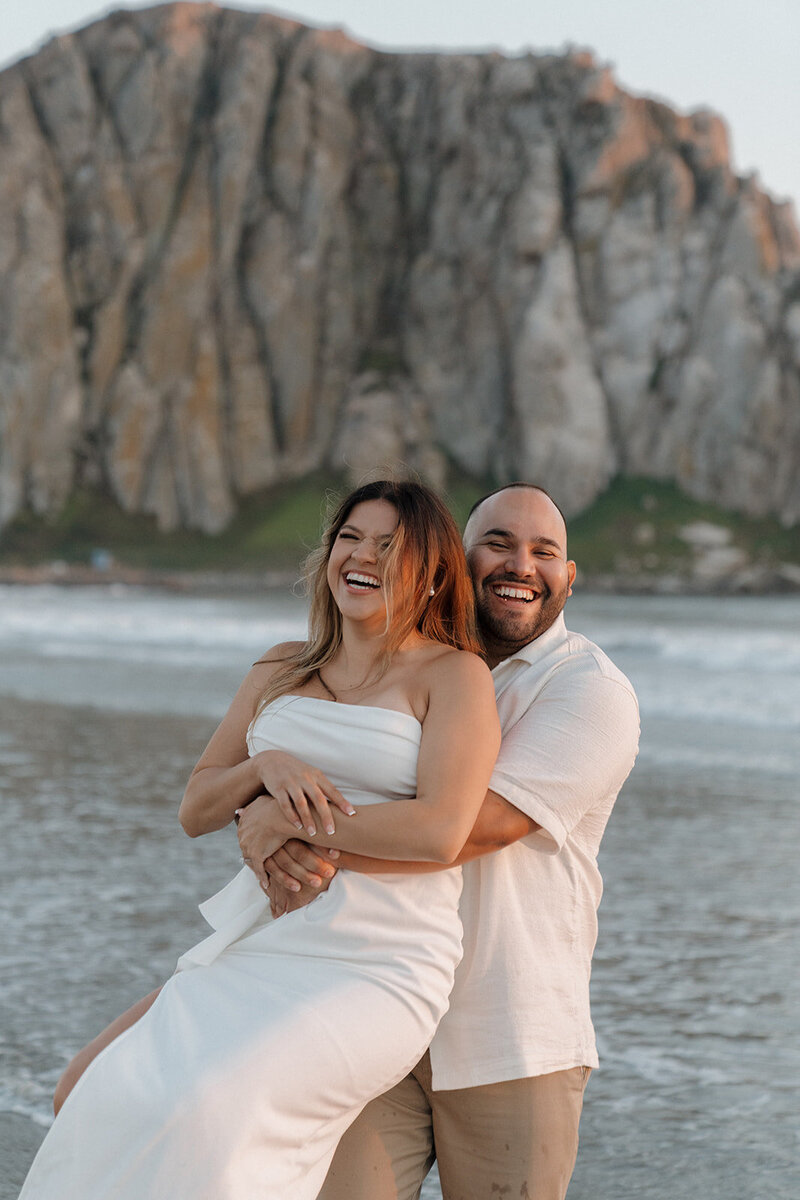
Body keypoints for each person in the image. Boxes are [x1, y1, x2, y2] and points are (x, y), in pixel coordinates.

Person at [17, 480, 501, 1200]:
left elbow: (439, 831)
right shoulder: (280, 667)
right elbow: (195, 808)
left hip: (378, 962)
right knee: (90, 1093)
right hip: (260, 941)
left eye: (390, 546)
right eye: (350, 537)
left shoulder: (453, 676)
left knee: (215, 1113)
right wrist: (260, 771)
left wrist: (289, 821)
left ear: (430, 572)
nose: (361, 556)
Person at [243, 482, 640, 1200]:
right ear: (455, 560)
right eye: (497, 543)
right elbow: (339, 780)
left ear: (569, 578)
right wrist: (266, 806)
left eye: (544, 552)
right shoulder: (402, 666)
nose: (521, 564)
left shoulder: (588, 690)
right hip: (370, 1001)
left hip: (508, 1031)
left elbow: (466, 830)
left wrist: (286, 827)